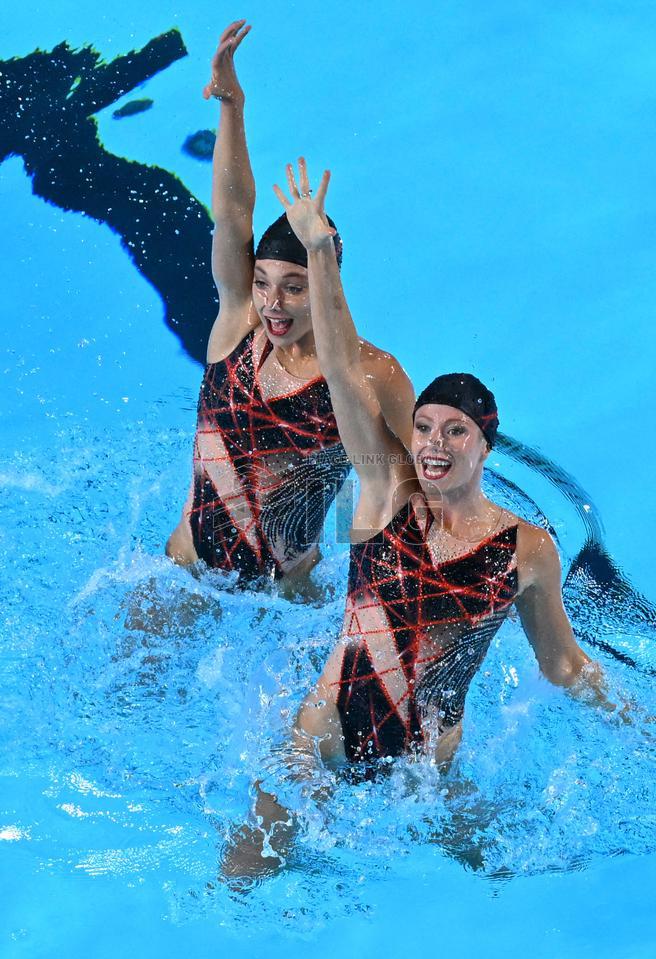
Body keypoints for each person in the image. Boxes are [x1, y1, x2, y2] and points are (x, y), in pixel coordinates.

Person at [221, 158, 616, 878]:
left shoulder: (529, 550)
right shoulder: (384, 499)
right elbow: (344, 370)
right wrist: (316, 251)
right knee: (249, 865)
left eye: (453, 431)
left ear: (485, 445)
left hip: (420, 777)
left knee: (498, 873)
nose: (432, 443)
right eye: (425, 427)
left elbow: (561, 663)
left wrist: (635, 723)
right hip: (321, 743)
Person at [165, 21, 414, 587]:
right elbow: (233, 217)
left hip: (282, 602)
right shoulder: (235, 328)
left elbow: (410, 487)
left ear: (325, 285)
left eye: (295, 288)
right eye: (262, 282)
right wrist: (232, 104)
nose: (273, 304)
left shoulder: (373, 375)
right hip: (184, 569)